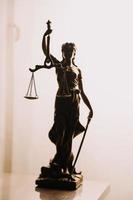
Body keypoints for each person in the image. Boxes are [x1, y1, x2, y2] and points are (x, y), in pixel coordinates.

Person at [34, 28, 93, 175]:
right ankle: (59, 161)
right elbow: (46, 52)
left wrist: (90, 108)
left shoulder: (78, 70)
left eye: (70, 51)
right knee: (60, 130)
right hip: (61, 102)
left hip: (75, 103)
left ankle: (66, 164)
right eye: (65, 52)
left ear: (74, 53)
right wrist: (45, 35)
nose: (68, 54)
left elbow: (83, 91)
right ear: (62, 53)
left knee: (69, 135)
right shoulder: (58, 66)